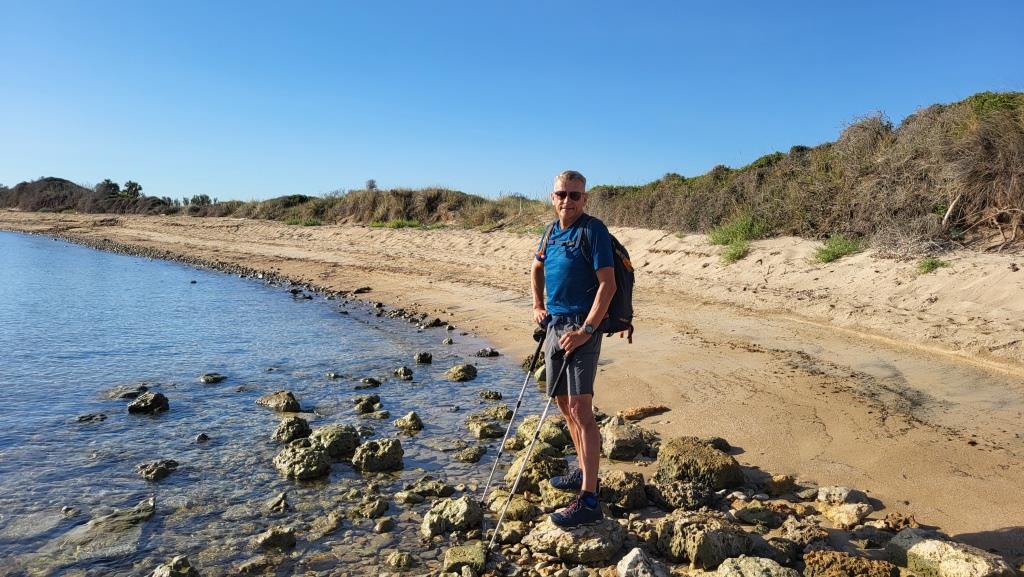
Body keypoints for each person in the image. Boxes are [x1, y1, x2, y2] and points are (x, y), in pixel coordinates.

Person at [531, 170, 616, 527]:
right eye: (561, 194)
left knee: (581, 408)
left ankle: (590, 498)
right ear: (552, 197)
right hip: (554, 325)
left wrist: (586, 331)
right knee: (564, 404)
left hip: (582, 327)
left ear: (585, 198)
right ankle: (582, 470)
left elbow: (608, 285)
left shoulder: (593, 231)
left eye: (574, 195)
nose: (567, 200)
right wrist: (538, 305)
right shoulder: (550, 231)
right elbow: (537, 268)